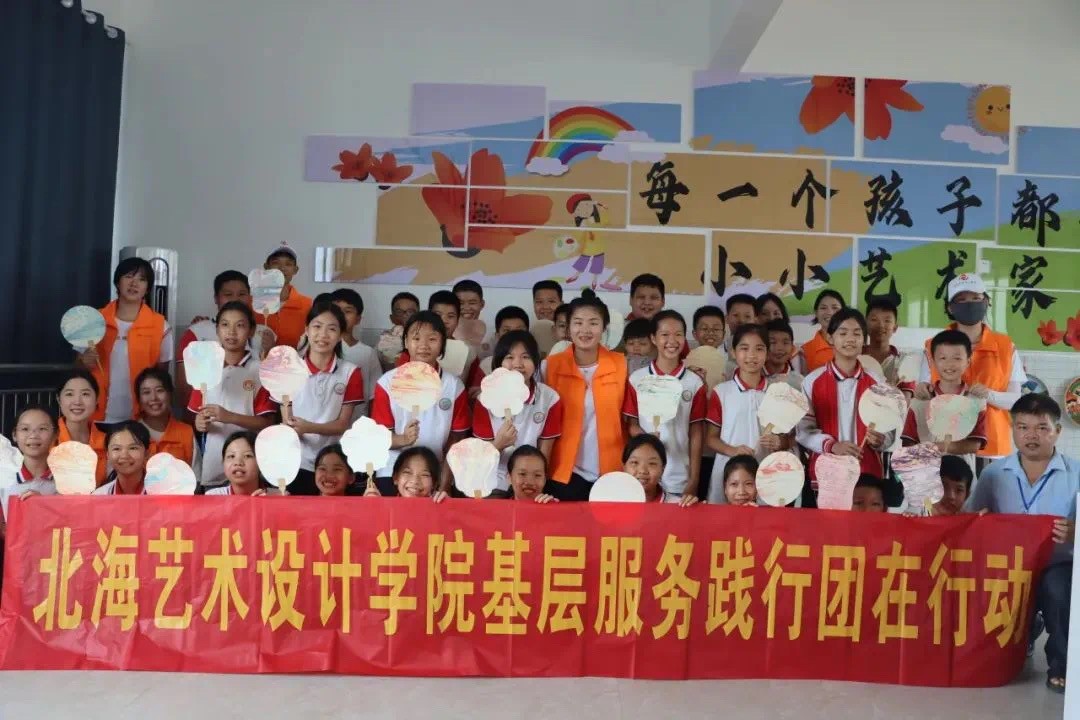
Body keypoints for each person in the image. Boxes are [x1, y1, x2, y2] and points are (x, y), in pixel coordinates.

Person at [966, 394, 1077, 694]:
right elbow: (971, 518)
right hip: (1007, 566)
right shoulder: (993, 474)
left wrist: (1075, 532)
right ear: (1012, 429)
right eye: (1023, 427)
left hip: (1057, 563)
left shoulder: (1076, 474)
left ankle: (1061, 665)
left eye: (1042, 428)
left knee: (1058, 591)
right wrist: (981, 520)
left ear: (1057, 431)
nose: (1031, 435)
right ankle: (1020, 635)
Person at [912, 274, 1027, 463]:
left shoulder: (1005, 346)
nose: (970, 304)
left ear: (986, 301)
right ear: (950, 307)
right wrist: (921, 391)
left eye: (975, 298)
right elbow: (923, 392)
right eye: (962, 300)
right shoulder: (932, 346)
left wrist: (988, 395)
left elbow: (1016, 401)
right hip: (946, 445)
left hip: (992, 447)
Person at [797, 309, 890, 506]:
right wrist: (833, 446)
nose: (850, 339)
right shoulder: (812, 381)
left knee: (866, 525)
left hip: (867, 474)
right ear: (830, 338)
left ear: (864, 340)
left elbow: (889, 428)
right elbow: (803, 431)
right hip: (828, 475)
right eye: (843, 333)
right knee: (829, 526)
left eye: (857, 333)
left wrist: (881, 439)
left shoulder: (877, 381)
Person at [370, 311, 469, 495]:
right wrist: (403, 439)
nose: (424, 345)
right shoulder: (387, 383)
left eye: (432, 339)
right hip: (392, 470)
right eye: (416, 338)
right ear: (406, 342)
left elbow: (455, 443)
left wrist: (445, 484)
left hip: (433, 472)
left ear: (442, 344)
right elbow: (379, 439)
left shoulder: (454, 386)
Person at [545, 291, 627, 501]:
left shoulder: (621, 364)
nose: (585, 330)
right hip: (564, 471)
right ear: (568, 327)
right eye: (578, 322)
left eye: (593, 323)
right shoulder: (551, 366)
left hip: (612, 470)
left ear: (604, 327)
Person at [188, 301, 277, 488]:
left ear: (251, 330)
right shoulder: (204, 368)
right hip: (214, 464)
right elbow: (196, 416)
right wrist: (199, 422)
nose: (232, 332)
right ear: (217, 329)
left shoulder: (261, 371)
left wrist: (229, 417)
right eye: (225, 325)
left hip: (249, 466)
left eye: (240, 325)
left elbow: (266, 422)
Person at [623, 310, 707, 503]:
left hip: (679, 475)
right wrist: (647, 439)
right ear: (653, 338)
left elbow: (696, 433)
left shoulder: (694, 383)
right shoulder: (637, 379)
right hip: (644, 474)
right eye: (665, 334)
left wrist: (693, 479)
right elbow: (632, 425)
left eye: (678, 334)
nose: (672, 341)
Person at [284, 302, 365, 495]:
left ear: (340, 335)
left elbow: (343, 424)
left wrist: (309, 427)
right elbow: (287, 422)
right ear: (306, 330)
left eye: (332, 329)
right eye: (317, 327)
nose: (323, 335)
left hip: (335, 465)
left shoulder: (350, 372)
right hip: (297, 461)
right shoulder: (288, 369)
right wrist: (294, 428)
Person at [79, 257, 172, 422]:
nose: (134, 283)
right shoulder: (94, 320)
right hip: (97, 414)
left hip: (141, 417)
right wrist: (83, 361)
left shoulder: (161, 326)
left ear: (148, 288)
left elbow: (162, 375)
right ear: (117, 282)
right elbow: (78, 366)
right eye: (128, 276)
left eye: (141, 279)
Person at [472, 330, 561, 493]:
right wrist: (499, 444)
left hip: (530, 483)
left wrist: (536, 488)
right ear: (499, 362)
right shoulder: (484, 400)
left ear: (535, 361)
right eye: (509, 357)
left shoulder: (550, 398)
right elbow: (481, 461)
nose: (518, 364)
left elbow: (545, 454)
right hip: (494, 482)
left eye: (525, 357)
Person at [706, 325, 783, 504]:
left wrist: (779, 442)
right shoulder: (722, 392)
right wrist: (732, 451)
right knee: (724, 519)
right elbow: (710, 438)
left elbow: (788, 437)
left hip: (765, 474)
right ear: (733, 352)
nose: (752, 355)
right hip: (728, 474)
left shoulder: (777, 393)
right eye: (744, 348)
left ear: (767, 353)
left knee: (762, 519)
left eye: (759, 349)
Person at [176, 270, 275, 405]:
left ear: (250, 297)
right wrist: (197, 415)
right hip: (207, 413)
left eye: (242, 294)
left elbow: (272, 386)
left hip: (252, 412)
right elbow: (185, 387)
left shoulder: (264, 333)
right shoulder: (196, 332)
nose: (235, 299)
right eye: (228, 294)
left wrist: (270, 351)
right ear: (216, 298)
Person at [919, 330, 988, 470]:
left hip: (962, 475)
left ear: (968, 361)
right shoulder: (922, 398)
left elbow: (974, 444)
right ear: (932, 361)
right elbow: (908, 441)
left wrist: (934, 447)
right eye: (943, 358)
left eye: (957, 358)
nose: (949, 364)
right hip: (925, 475)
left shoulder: (975, 400)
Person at [330, 288, 383, 416]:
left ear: (358, 318)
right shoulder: (321, 348)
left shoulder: (368, 353)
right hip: (325, 422)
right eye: (336, 310)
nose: (341, 316)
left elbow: (374, 396)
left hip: (357, 422)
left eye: (348, 311)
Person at [2, 405, 59, 523]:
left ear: (55, 434)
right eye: (25, 429)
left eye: (42, 429)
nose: (33, 435)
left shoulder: (68, 481)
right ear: (14, 435)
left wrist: (42, 506)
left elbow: (74, 524)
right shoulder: (4, 478)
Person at [254, 244, 313, 350]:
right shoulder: (252, 303)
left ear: (295, 270)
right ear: (266, 267)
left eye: (288, 264)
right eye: (276, 263)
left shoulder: (307, 305)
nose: (282, 268)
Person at [56, 369, 108, 485]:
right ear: (59, 399)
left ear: (97, 399)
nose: (77, 402)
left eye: (85, 394)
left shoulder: (108, 442)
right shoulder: (47, 439)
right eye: (69, 394)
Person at [135, 367, 195, 466]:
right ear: (139, 399)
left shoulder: (187, 432)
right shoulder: (130, 433)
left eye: (160, 390)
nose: (154, 398)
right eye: (146, 392)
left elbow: (196, 473)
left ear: (170, 394)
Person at [465, 306, 530, 395]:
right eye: (507, 331)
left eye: (519, 331)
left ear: (528, 334)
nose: (513, 336)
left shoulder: (535, 364)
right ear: (497, 336)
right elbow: (475, 394)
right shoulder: (487, 364)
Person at [364, 447, 448, 502]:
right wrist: (373, 506)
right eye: (407, 472)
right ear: (395, 478)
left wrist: (450, 506)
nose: (415, 481)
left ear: (435, 483)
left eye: (424, 475)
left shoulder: (440, 507)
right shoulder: (385, 507)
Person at [204, 431, 274, 496]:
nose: (238, 462)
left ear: (261, 463)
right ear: (223, 462)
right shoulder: (213, 496)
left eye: (247, 456)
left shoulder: (276, 497)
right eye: (231, 456)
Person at [93, 421, 153, 495]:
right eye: (116, 449)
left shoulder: (162, 492)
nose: (124, 456)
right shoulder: (99, 495)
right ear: (108, 455)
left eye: (133, 448)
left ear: (146, 454)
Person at [487, 445, 558, 502]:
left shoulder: (554, 508)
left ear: (545, 480)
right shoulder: (497, 510)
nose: (530, 482)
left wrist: (553, 510)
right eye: (522, 474)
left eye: (537, 475)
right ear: (509, 478)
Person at [800, 289, 846, 374]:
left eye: (835, 308)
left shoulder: (853, 345)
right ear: (816, 313)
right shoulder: (805, 350)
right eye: (823, 308)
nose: (829, 312)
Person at [377, 291, 420, 370]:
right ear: (392, 318)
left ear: (419, 316)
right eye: (399, 312)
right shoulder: (383, 344)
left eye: (410, 312)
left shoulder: (428, 341)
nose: (405, 316)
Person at [865, 298, 900, 384]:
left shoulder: (902, 361)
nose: (880, 325)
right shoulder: (855, 357)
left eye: (887, 321)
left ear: (895, 328)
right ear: (865, 324)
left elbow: (907, 391)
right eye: (874, 319)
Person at [623, 434, 667, 503]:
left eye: (652, 463)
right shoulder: (611, 502)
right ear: (624, 467)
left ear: (662, 469)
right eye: (635, 462)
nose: (642, 471)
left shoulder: (676, 504)